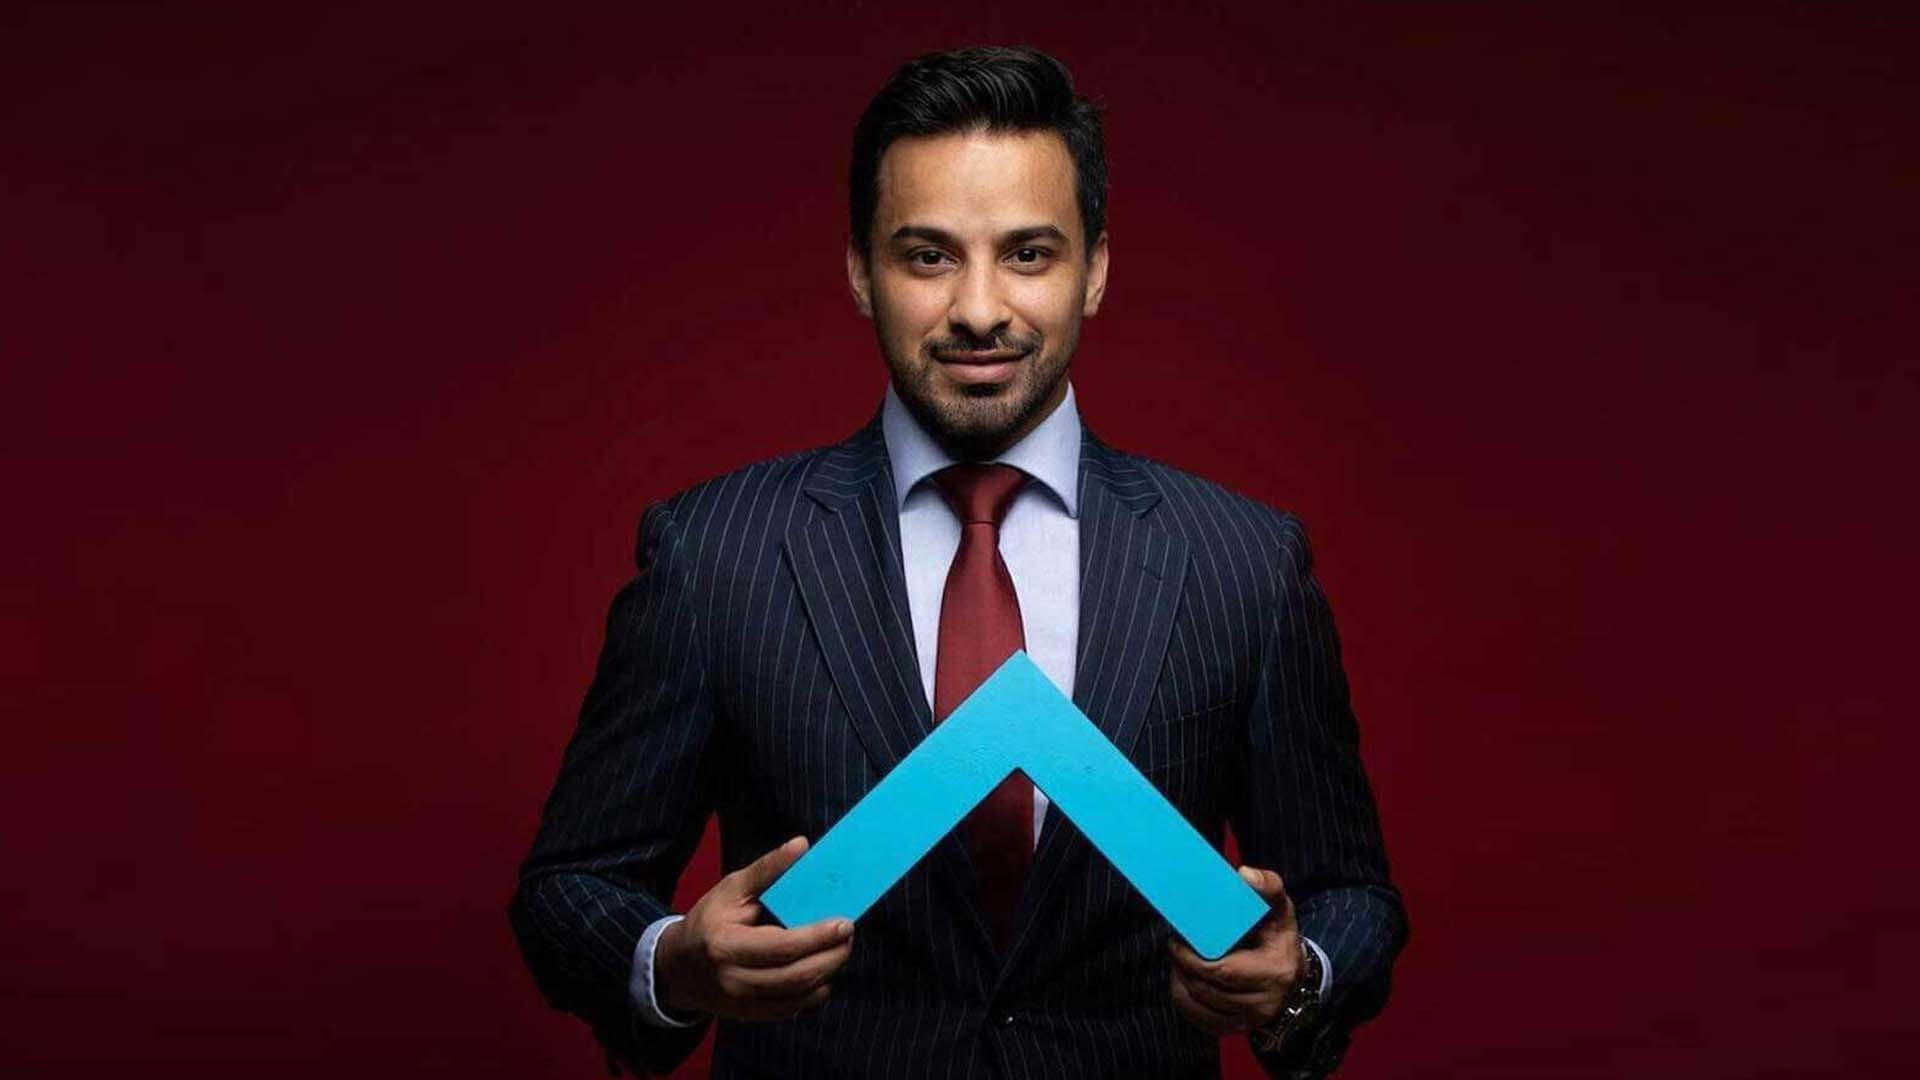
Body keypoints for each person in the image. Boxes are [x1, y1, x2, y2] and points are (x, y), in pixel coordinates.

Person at [508, 45, 1406, 1079]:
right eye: (928, 256)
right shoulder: (715, 553)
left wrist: (1303, 976)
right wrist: (674, 965)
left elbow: (1353, 894)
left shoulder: (1241, 561)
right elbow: (571, 885)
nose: (980, 310)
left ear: (1098, 268)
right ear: (860, 270)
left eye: (1029, 254)